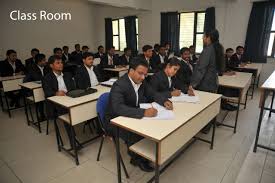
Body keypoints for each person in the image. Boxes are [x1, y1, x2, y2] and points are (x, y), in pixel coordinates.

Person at [105, 57, 173, 172]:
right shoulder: (119, 85)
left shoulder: (142, 81)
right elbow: (118, 108)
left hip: (131, 114)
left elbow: (152, 94)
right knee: (135, 133)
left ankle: (140, 154)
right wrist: (144, 112)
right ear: (131, 70)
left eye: (145, 74)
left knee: (150, 127)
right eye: (140, 73)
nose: (143, 77)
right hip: (114, 120)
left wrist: (164, 101)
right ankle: (137, 159)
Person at [188, 29, 225, 133]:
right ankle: (209, 124)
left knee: (204, 107)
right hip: (213, 81)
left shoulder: (208, 49)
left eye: (204, 36)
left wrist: (193, 84)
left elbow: (201, 69)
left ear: (209, 37)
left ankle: (205, 127)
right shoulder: (218, 48)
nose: (203, 38)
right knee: (210, 106)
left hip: (205, 83)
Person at [42, 55, 77, 147]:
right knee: (66, 112)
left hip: (69, 99)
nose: (61, 64)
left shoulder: (67, 74)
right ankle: (73, 140)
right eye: (58, 63)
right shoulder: (47, 78)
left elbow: (73, 88)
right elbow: (47, 92)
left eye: (61, 62)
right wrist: (56, 93)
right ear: (51, 66)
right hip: (56, 104)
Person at [24, 53, 49, 120]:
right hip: (37, 89)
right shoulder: (32, 68)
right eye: (44, 60)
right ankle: (42, 115)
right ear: (39, 62)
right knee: (40, 98)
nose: (45, 61)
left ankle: (52, 113)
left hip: (46, 87)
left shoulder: (47, 67)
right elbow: (25, 81)